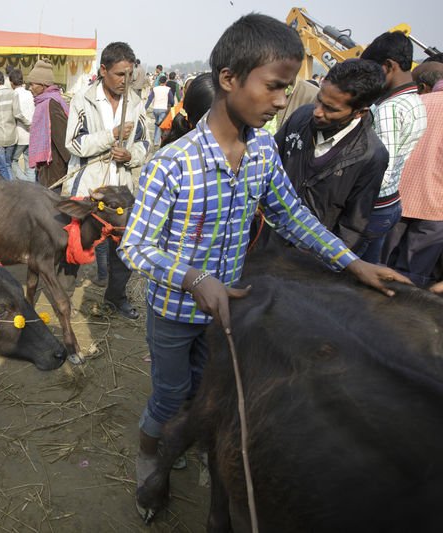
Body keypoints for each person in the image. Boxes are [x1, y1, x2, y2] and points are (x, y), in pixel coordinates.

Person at [118, 14, 410, 489]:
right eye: (273, 87)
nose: (281, 101)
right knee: (170, 393)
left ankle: (189, 441)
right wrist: (194, 278)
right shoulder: (171, 164)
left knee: (210, 388)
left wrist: (353, 263)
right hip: (174, 310)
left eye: (286, 89)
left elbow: (292, 215)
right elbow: (135, 246)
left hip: (230, 308)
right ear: (228, 78)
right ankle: (150, 454)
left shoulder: (262, 153)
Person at [64, 41, 150, 318]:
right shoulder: (83, 100)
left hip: (121, 190)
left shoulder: (135, 103)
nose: (126, 80)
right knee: (76, 246)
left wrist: (130, 155)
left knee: (122, 250)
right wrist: (110, 136)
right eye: (120, 74)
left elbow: (144, 143)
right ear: (103, 70)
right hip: (89, 189)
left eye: (130, 74)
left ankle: (116, 297)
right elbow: (73, 144)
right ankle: (63, 300)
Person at [275, 59, 389, 251]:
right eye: (319, 100)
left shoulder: (371, 156)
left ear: (359, 112)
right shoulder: (301, 117)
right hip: (269, 237)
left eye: (331, 109)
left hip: (310, 253)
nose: (318, 112)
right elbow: (269, 163)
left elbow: (352, 228)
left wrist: (325, 262)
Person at [358, 31, 427, 263]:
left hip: (373, 206)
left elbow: (381, 168)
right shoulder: (415, 101)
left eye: (373, 70)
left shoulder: (391, 108)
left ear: (388, 66)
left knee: (348, 268)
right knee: (370, 265)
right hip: (390, 202)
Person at [383, 59, 443, 286]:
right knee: (412, 276)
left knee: (381, 265)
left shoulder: (414, 104)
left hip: (393, 199)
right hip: (436, 210)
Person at [28, 60, 69, 189]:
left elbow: (62, 138)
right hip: (46, 168)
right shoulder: (44, 103)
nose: (30, 88)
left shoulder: (51, 104)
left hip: (53, 170)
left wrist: (71, 165)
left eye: (32, 84)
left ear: (43, 85)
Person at [0, 70, 18, 179]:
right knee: (8, 164)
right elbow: (17, 114)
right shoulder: (13, 94)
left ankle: (8, 187)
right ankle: (13, 186)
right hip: (11, 136)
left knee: (1, 168)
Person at [9, 69, 36, 182]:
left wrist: (27, 123)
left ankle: (26, 183)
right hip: (32, 133)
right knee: (30, 163)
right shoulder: (29, 93)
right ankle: (32, 185)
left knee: (12, 161)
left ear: (11, 82)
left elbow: (17, 114)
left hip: (20, 134)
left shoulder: (13, 94)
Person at [146, 75, 174, 146]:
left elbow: (150, 98)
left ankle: (156, 139)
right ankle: (156, 142)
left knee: (157, 124)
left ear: (159, 82)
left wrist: (145, 108)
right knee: (160, 126)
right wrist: (172, 105)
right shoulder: (168, 89)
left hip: (155, 109)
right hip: (163, 109)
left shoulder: (155, 89)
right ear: (165, 82)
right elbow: (171, 99)